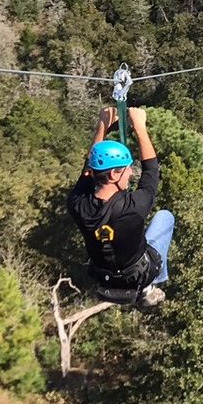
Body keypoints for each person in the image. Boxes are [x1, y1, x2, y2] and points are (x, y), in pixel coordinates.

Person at [67, 106, 175, 307]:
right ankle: (153, 284)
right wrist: (140, 128)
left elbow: (88, 170)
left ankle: (147, 285)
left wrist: (103, 127)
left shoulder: (77, 204)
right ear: (114, 175)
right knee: (165, 216)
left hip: (104, 276)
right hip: (139, 275)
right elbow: (151, 171)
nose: (131, 174)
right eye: (127, 170)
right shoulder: (134, 207)